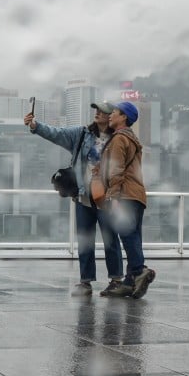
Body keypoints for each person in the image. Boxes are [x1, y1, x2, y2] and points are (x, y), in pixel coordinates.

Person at [26, 102, 123, 296]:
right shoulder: (82, 134)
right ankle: (85, 282)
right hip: (84, 196)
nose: (97, 113)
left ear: (111, 115)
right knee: (85, 240)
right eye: (96, 110)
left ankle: (116, 280)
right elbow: (57, 133)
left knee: (111, 240)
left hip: (107, 197)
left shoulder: (118, 139)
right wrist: (35, 126)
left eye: (102, 111)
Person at [101, 101, 156, 299]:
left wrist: (113, 197)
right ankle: (131, 280)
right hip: (137, 194)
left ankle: (140, 270)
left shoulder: (118, 139)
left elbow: (116, 169)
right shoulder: (132, 139)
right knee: (134, 235)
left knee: (127, 234)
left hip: (124, 194)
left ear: (123, 116)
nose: (110, 115)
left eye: (114, 112)